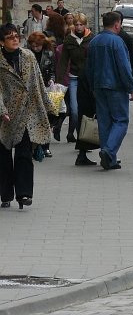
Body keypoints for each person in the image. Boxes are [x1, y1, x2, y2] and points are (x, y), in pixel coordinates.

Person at [0, 24, 54, 210]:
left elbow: (38, 81)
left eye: (17, 36)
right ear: (2, 42)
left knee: (24, 154)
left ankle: (24, 193)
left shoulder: (28, 57)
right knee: (3, 155)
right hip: (4, 115)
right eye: (10, 37)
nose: (15, 39)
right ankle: (5, 193)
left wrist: (48, 105)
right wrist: (1, 110)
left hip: (25, 112)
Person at [86, 12, 133, 171]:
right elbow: (124, 67)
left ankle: (110, 159)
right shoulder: (117, 42)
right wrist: (131, 87)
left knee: (104, 121)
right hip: (116, 87)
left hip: (99, 86)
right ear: (116, 24)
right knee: (121, 120)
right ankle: (108, 151)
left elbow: (89, 68)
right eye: (120, 23)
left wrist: (92, 86)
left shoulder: (94, 41)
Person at [57, 13, 93, 143]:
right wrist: (59, 81)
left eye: (81, 24)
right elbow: (63, 61)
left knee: (87, 109)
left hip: (87, 78)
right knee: (75, 110)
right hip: (73, 77)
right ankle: (78, 135)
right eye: (76, 24)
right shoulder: (69, 40)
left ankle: (83, 137)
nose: (78, 27)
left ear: (85, 25)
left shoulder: (91, 39)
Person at [27, 32, 56, 157]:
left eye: (37, 46)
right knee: (33, 119)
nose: (35, 48)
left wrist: (52, 79)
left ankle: (45, 146)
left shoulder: (48, 54)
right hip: (31, 90)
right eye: (33, 46)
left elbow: (53, 70)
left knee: (46, 117)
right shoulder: (26, 54)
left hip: (44, 88)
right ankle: (34, 145)